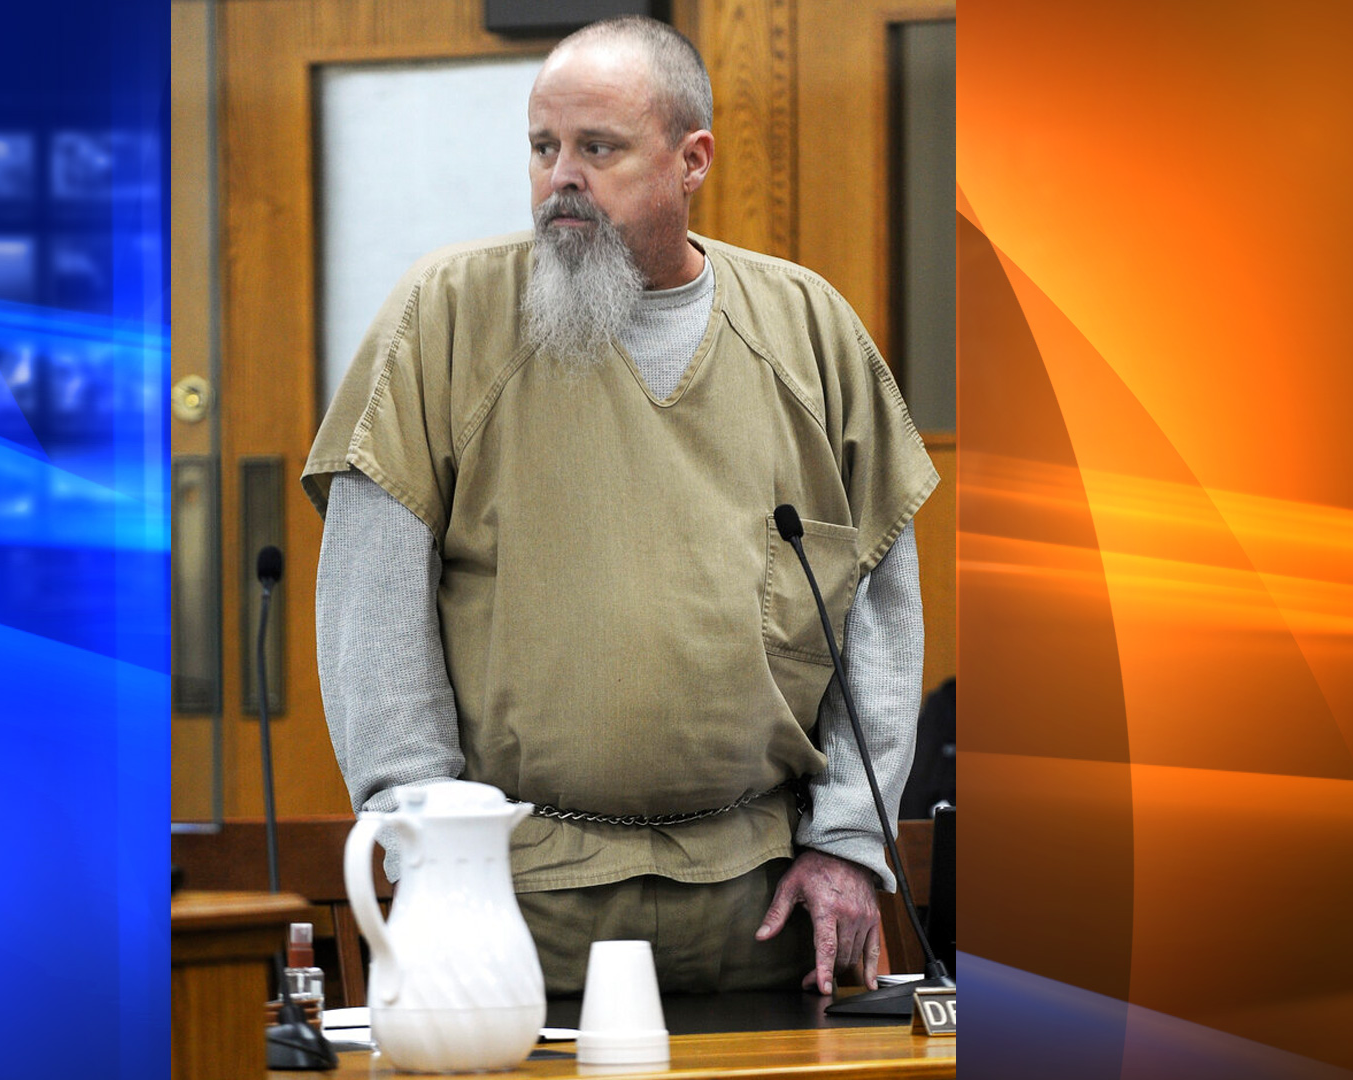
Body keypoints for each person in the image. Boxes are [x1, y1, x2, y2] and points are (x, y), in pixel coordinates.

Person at [302, 16, 937, 997]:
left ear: (692, 161)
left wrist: (851, 840)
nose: (561, 176)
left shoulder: (808, 328)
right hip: (514, 897)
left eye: (598, 148)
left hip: (762, 901)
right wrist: (420, 832)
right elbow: (368, 600)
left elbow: (882, 611)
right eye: (543, 146)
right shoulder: (446, 316)